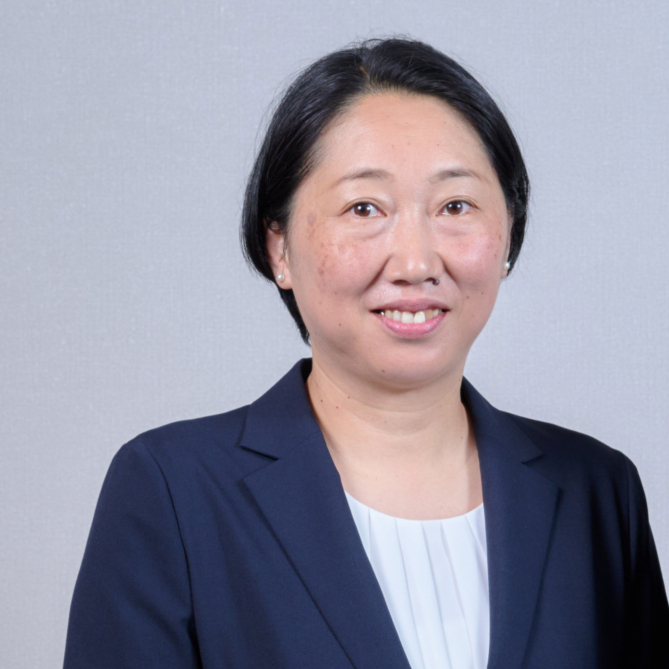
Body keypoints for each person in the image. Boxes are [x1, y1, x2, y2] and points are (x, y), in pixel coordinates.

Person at [63, 37, 669, 669]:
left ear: (508, 235)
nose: (415, 261)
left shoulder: (598, 492)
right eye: (363, 208)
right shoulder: (174, 491)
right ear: (279, 248)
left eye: (455, 205)